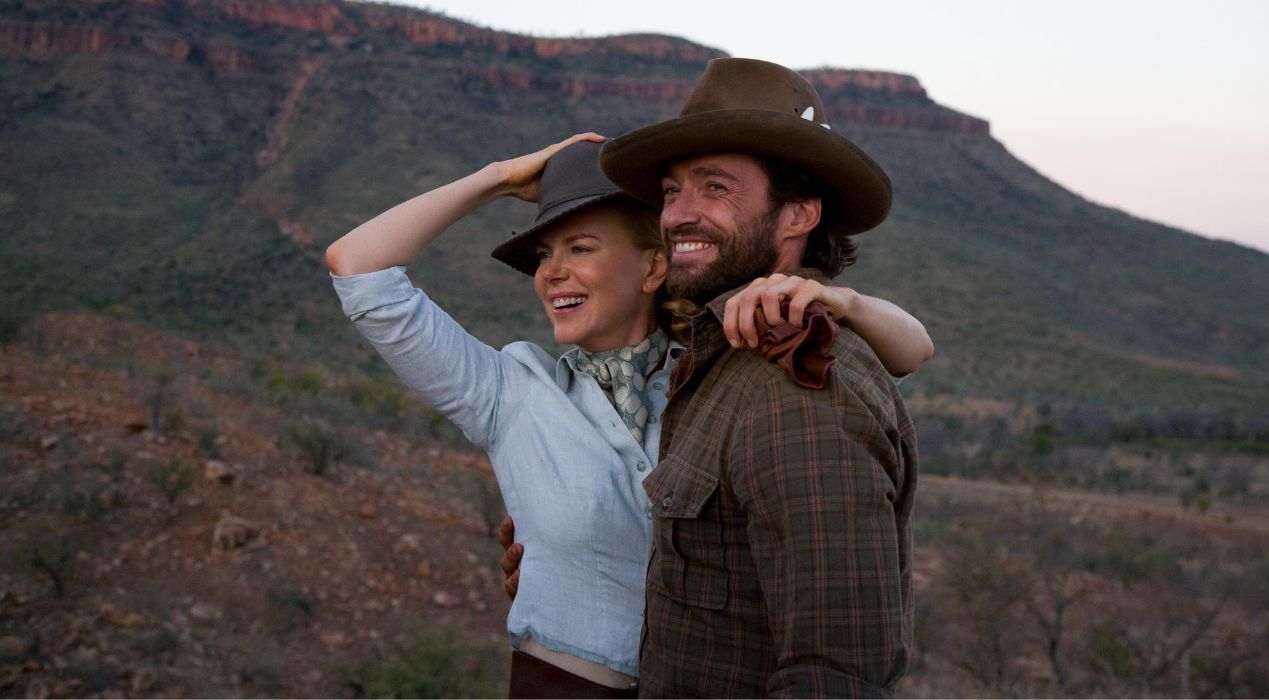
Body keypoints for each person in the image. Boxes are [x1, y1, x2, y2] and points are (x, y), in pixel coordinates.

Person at [325, 134, 931, 697]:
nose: (551, 273)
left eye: (580, 248)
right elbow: (359, 268)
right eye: (543, 255)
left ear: (653, 267)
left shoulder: (715, 372)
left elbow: (907, 352)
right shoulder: (509, 392)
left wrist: (844, 302)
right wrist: (502, 177)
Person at [599, 57, 920, 697]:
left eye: (714, 188)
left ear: (798, 215)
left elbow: (836, 674)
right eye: (670, 190)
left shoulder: (800, 382)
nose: (677, 215)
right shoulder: (718, 355)